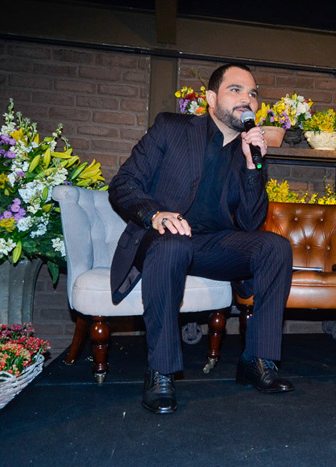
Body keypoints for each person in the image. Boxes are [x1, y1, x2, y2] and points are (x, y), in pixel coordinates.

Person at [109, 63, 295, 415]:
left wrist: (254, 168)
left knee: (275, 247)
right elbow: (123, 184)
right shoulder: (172, 127)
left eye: (253, 93)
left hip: (213, 244)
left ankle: (257, 360)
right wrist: (156, 215)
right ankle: (161, 371)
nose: (248, 99)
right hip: (162, 236)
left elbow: (251, 222)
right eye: (236, 90)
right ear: (211, 98)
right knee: (173, 243)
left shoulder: (247, 152)